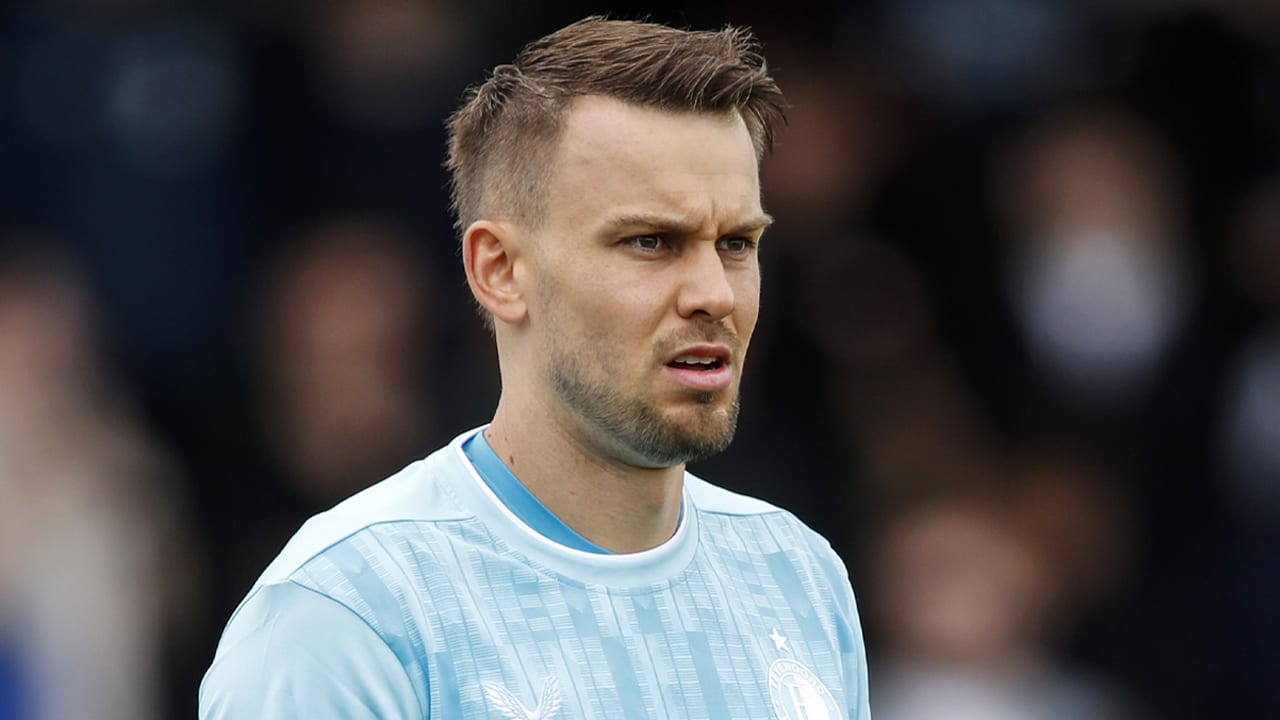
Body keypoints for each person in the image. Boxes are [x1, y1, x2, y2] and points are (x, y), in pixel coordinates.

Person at [199, 16, 872, 720]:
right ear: (500, 270)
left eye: (736, 243)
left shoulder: (799, 576)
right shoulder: (348, 614)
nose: (714, 294)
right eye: (650, 241)